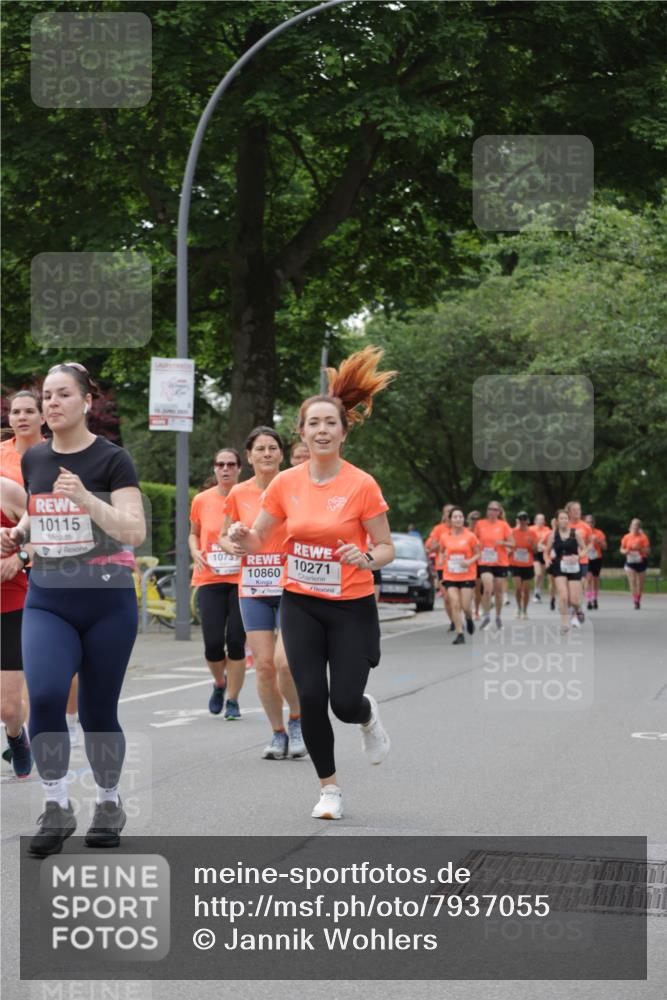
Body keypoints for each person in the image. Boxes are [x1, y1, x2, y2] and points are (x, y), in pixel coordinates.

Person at [229, 346, 396, 821]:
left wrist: (364, 557)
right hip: (300, 602)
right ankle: (330, 789)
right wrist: (243, 538)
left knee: (344, 702)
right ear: (300, 432)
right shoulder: (284, 483)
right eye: (313, 424)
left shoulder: (362, 484)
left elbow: (385, 547)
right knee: (312, 697)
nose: (321, 431)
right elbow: (259, 537)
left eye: (330, 423)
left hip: (351, 605)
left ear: (344, 432)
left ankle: (367, 716)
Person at [0, 362, 146, 857]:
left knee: (98, 711)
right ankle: (56, 804)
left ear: (87, 401)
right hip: (48, 598)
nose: (52, 403)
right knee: (43, 696)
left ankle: (108, 802)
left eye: (63, 394)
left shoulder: (113, 460)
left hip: (107, 602)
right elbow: (41, 517)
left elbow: (133, 531)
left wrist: (85, 496)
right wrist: (18, 534)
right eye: (47, 396)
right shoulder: (35, 460)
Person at [221, 427, 305, 758]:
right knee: (265, 666)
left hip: (290, 586)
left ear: (282, 455)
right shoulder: (239, 493)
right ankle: (278, 732)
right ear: (249, 456)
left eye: (273, 448)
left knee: (286, 664)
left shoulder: (297, 487)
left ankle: (297, 720)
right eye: (260, 449)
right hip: (253, 588)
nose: (267, 453)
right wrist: (232, 546)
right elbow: (223, 535)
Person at [189, 447, 246, 717]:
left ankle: (233, 700)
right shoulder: (202, 500)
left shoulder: (249, 497)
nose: (225, 469)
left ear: (239, 469)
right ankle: (219, 683)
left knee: (236, 641)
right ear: (214, 468)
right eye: (220, 464)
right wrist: (194, 550)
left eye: (231, 464)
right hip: (210, 577)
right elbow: (194, 534)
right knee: (212, 643)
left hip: (241, 579)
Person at [0, 476, 32, 777]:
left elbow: (42, 532)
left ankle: (16, 736)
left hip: (9, 605)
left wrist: (20, 558)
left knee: (9, 708)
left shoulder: (7, 490)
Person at [439, 507, 480, 643]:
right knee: (454, 603)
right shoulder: (445, 536)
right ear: (450, 520)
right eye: (455, 517)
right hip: (450, 575)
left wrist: (469, 561)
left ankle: (468, 617)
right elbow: (441, 551)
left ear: (463, 519)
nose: (458, 519)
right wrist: (441, 558)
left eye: (460, 517)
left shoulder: (470, 536)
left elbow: (478, 553)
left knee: (465, 605)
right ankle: (459, 633)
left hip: (467, 575)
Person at [544, 510, 587, 633]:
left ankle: (578, 610)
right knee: (563, 596)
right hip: (559, 566)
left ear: (568, 520)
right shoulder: (553, 535)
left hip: (573, 567)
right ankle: (564, 623)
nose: (563, 521)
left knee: (574, 600)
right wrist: (547, 560)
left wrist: (578, 557)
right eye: (561, 518)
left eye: (565, 518)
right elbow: (546, 552)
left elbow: (584, 550)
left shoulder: (575, 534)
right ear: (557, 521)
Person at [474, 501, 514, 630]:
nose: (492, 512)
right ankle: (486, 616)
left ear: (499, 512)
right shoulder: (480, 524)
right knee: (487, 589)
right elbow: (474, 541)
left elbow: (513, 543)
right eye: (489, 509)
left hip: (500, 562)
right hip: (484, 561)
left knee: (498, 592)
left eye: (495, 509)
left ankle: (498, 617)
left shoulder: (503, 525)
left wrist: (502, 542)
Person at [0, 389, 46, 485]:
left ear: (42, 418)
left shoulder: (57, 453)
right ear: (10, 420)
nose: (22, 417)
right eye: (16, 412)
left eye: (29, 411)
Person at [426, 505, 455, 629]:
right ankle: (454, 621)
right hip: (442, 567)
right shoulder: (438, 529)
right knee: (448, 598)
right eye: (446, 512)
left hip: (458, 568)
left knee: (457, 597)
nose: (448, 514)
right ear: (443, 515)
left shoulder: (461, 529)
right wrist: (440, 545)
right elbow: (429, 547)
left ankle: (459, 618)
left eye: (451, 512)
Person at [509, 512, 536, 619]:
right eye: (520, 519)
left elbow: (535, 550)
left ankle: (525, 610)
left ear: (528, 520)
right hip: (515, 563)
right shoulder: (512, 532)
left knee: (526, 589)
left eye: (524, 518)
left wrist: (531, 543)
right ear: (518, 520)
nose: (522, 521)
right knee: (518, 588)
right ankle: (519, 608)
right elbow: (509, 546)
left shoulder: (532, 533)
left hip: (528, 564)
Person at [621, 518, 650, 610]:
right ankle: (635, 601)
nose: (635, 527)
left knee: (640, 583)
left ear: (639, 527)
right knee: (632, 581)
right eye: (634, 525)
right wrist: (625, 551)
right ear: (631, 526)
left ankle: (638, 598)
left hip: (641, 561)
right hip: (630, 561)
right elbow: (621, 549)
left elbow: (648, 551)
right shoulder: (626, 537)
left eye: (637, 525)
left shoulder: (643, 537)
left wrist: (640, 548)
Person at [584, 514, 607, 610]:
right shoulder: (582, 532)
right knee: (588, 579)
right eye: (587, 522)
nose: (590, 524)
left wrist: (598, 541)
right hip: (586, 557)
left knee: (595, 579)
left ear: (594, 523)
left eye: (591, 522)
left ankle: (595, 598)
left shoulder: (599, 533)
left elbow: (605, 547)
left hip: (597, 557)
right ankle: (589, 600)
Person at [529, 513, 550, 603]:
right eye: (539, 519)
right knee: (538, 573)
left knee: (542, 575)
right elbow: (529, 542)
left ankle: (538, 592)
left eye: (542, 519)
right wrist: (537, 545)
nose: (541, 521)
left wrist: (545, 547)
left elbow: (550, 542)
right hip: (535, 553)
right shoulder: (531, 529)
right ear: (535, 521)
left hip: (544, 554)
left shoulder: (547, 530)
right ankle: (535, 591)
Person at [466, 510, 482, 618]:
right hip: (468, 563)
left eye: (477, 519)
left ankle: (476, 609)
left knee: (477, 588)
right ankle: (470, 609)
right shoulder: (465, 531)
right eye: (473, 519)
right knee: (469, 589)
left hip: (480, 562)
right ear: (468, 519)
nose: (475, 521)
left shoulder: (482, 531)